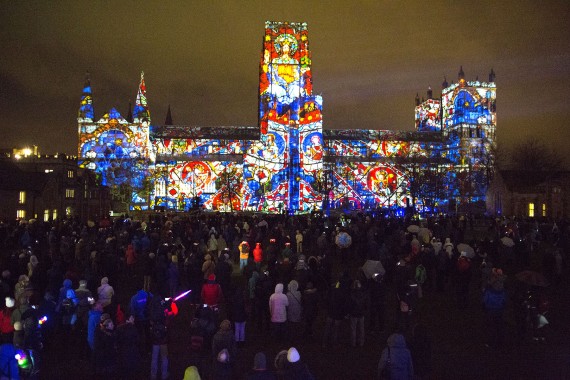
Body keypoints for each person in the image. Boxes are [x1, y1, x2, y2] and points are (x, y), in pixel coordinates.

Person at [116, 314, 141, 379]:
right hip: (132, 351)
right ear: (127, 319)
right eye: (132, 318)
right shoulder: (133, 328)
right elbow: (137, 340)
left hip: (123, 353)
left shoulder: (119, 328)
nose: (133, 320)